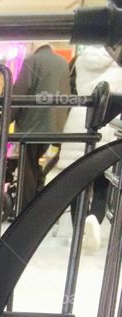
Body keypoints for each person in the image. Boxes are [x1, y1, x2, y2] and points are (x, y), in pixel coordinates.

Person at [61, 46, 122, 251]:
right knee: (102, 183)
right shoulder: (118, 63)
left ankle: (78, 232)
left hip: (80, 118)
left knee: (76, 182)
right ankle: (94, 220)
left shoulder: (82, 60)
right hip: (109, 121)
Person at [12, 44, 70, 213]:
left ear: (35, 48)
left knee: (27, 167)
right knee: (40, 165)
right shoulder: (63, 63)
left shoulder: (32, 60)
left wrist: (7, 119)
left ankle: (24, 211)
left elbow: (19, 92)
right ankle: (39, 203)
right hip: (55, 126)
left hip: (32, 125)